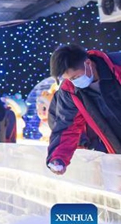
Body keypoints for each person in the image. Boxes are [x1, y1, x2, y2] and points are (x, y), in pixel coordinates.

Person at [46, 44, 121, 175]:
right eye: (68, 79)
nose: (73, 82)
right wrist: (58, 158)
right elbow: (67, 126)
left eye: (75, 77)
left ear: (88, 63)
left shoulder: (117, 66)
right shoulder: (69, 90)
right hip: (115, 144)